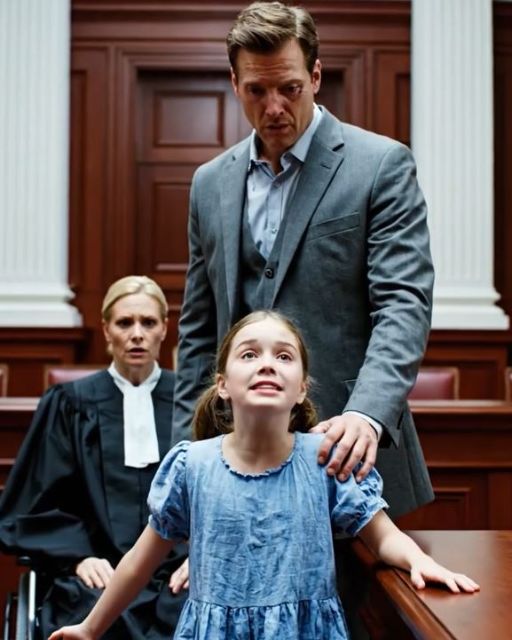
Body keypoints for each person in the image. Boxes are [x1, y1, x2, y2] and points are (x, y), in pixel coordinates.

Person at [48, 311, 479, 640]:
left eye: (284, 356)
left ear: (302, 388)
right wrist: (90, 628)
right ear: (222, 384)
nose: (267, 364)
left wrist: (420, 560)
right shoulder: (191, 465)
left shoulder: (325, 460)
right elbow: (138, 565)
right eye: (250, 354)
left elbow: (382, 537)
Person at [172, 0, 435, 523]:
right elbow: (198, 329)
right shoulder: (209, 183)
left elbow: (403, 304)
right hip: (234, 463)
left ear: (315, 76)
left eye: (289, 88)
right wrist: (188, 448)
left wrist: (366, 414)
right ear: (234, 83)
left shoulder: (380, 165)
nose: (274, 107)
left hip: (349, 456)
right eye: (256, 90)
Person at [0, 276, 187, 639]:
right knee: (94, 610)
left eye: (148, 323)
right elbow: (38, 502)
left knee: (194, 608)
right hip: (97, 569)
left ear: (165, 329)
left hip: (176, 570)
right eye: (124, 323)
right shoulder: (70, 403)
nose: (137, 334)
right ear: (106, 331)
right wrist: (77, 558)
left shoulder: (191, 402)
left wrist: (201, 557)